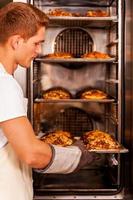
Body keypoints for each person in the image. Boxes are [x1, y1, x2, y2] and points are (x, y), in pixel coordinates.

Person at [0, 2, 97, 200]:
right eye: (36, 43)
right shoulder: (4, 85)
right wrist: (77, 156)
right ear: (16, 42)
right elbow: (32, 154)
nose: (39, 51)